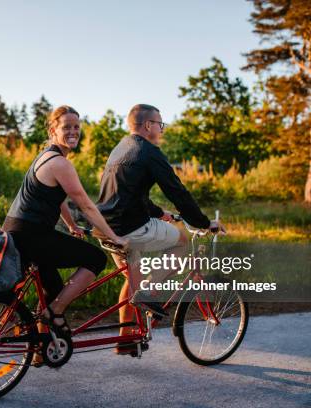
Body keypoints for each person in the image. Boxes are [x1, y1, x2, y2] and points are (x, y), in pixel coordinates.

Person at [96, 104, 225, 356]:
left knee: (131, 281)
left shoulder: (120, 148)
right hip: (129, 227)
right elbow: (177, 191)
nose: (161, 129)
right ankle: (148, 290)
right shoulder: (149, 151)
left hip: (105, 227)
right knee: (182, 241)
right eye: (160, 124)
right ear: (147, 126)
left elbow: (128, 193)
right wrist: (203, 222)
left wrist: (159, 213)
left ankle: (126, 339)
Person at [2, 105, 127, 341]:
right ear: (53, 130)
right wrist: (114, 236)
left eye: (77, 127)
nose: (73, 131)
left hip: (18, 230)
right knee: (96, 259)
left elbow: (58, 199)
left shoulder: (44, 157)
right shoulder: (61, 164)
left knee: (54, 289)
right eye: (67, 127)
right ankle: (54, 314)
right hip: (32, 235)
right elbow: (86, 205)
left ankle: (40, 345)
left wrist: (71, 226)